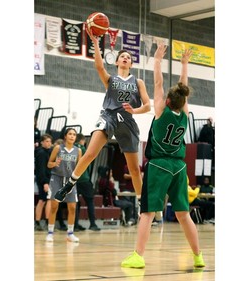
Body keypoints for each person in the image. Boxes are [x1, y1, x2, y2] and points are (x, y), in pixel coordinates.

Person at [121, 42, 205, 268]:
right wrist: (184, 64)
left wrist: (157, 59)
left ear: (167, 100)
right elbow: (183, 87)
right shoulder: (185, 114)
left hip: (158, 165)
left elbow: (158, 82)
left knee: (147, 213)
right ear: (182, 101)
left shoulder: (161, 109)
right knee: (183, 214)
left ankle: (138, 256)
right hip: (179, 166)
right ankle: (198, 257)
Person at [54, 27, 151, 206]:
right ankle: (70, 184)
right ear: (117, 62)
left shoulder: (138, 82)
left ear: (131, 64)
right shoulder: (111, 79)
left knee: (134, 170)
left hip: (128, 121)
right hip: (109, 116)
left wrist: (134, 111)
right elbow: (98, 65)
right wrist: (96, 42)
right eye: (123, 56)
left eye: (129, 58)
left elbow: (147, 106)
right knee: (90, 152)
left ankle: (142, 205)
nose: (125, 58)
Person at [46, 128, 82, 243]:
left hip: (70, 181)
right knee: (54, 207)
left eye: (74, 134)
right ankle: (50, 233)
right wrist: (55, 163)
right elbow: (48, 164)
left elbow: (79, 167)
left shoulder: (78, 151)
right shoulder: (58, 148)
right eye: (70, 134)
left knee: (72, 208)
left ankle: (70, 234)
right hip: (56, 179)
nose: (72, 136)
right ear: (65, 136)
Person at [74, 133, 101, 231]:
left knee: (75, 203)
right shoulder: (83, 149)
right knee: (90, 202)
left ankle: (75, 225)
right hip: (84, 179)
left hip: (74, 180)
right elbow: (88, 165)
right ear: (82, 140)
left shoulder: (71, 148)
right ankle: (93, 224)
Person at [34, 134, 53, 231]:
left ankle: (44, 222)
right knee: (42, 200)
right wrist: (45, 182)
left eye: (50, 141)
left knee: (46, 200)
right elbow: (41, 169)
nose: (49, 143)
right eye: (46, 141)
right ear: (41, 142)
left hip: (47, 179)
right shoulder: (41, 153)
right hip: (43, 179)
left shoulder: (48, 152)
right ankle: (39, 222)